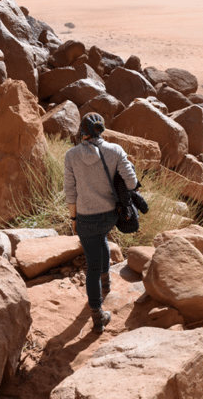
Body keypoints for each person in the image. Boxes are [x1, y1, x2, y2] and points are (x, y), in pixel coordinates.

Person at [64, 113, 137, 334]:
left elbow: (70, 192)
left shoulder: (71, 155)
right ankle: (106, 283)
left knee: (92, 266)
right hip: (110, 216)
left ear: (82, 131)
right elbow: (132, 183)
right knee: (102, 238)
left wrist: (74, 218)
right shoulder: (115, 150)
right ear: (101, 130)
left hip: (86, 217)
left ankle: (98, 317)